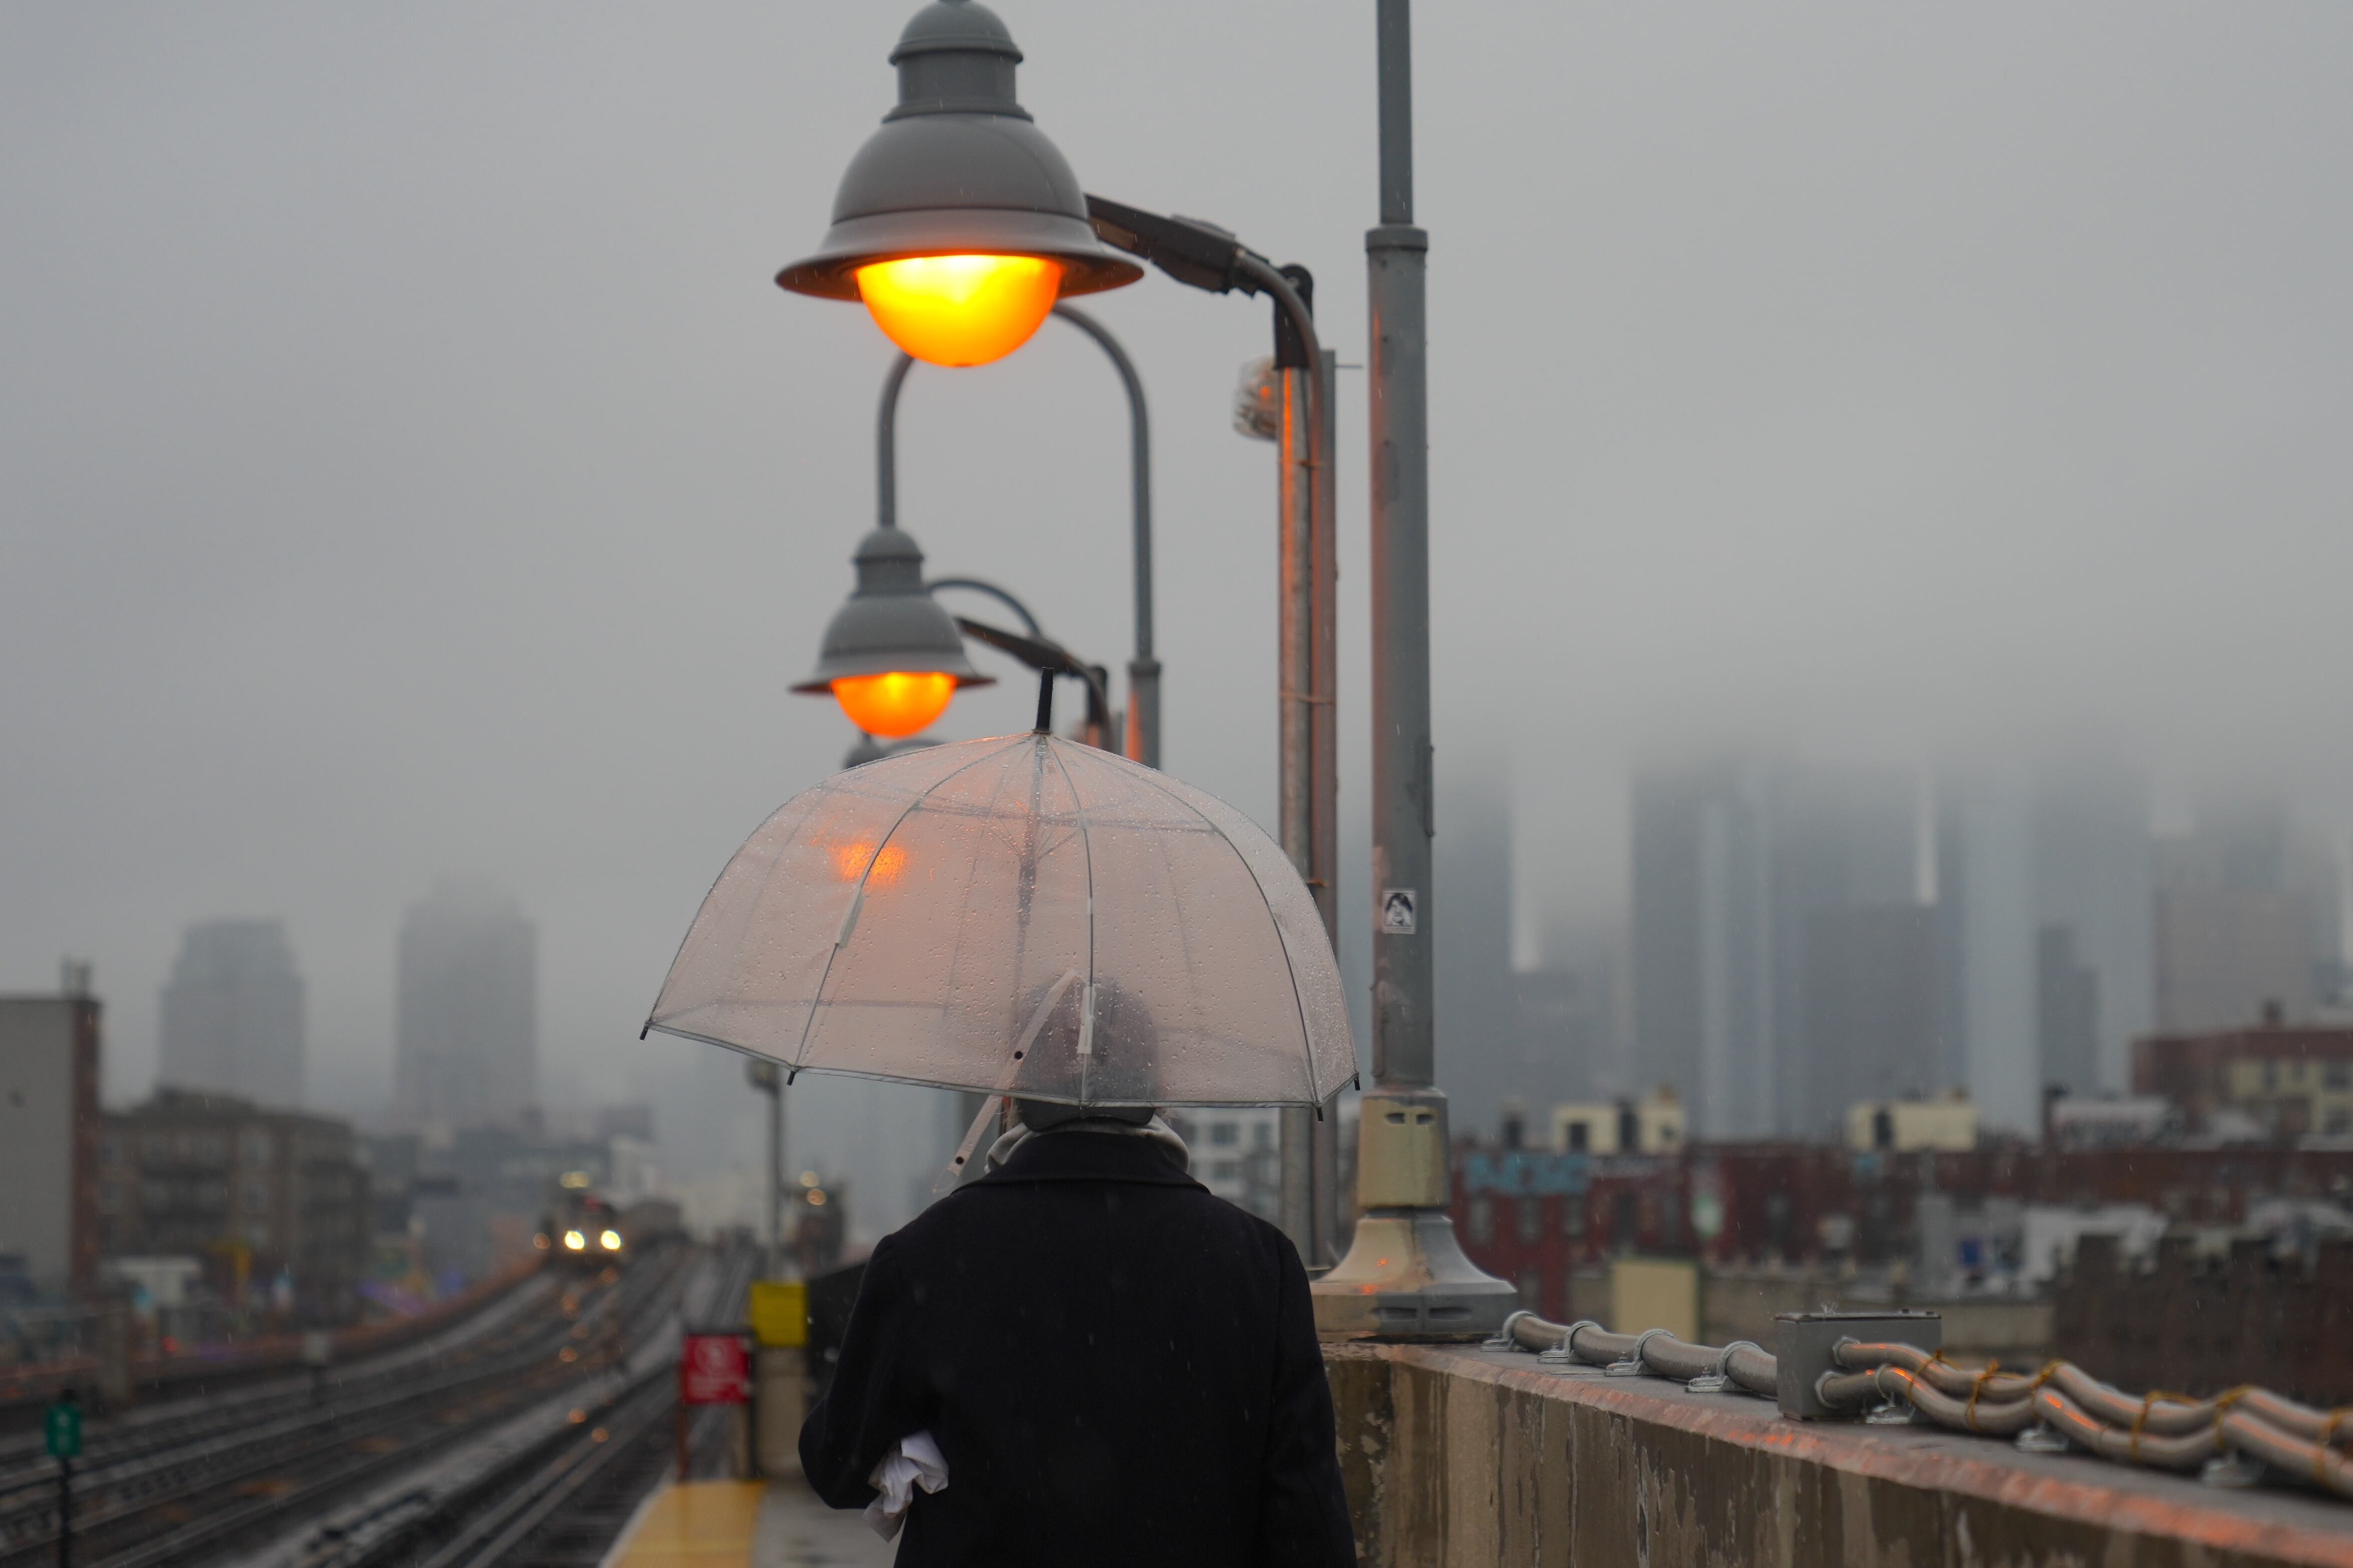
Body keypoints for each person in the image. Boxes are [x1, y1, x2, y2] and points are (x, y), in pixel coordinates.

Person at [798, 1097, 1356, 1565]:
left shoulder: (925, 1254)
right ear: (1157, 1096)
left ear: (1012, 1099)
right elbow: (1308, 1521)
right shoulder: (1258, 1262)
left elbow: (836, 1464)